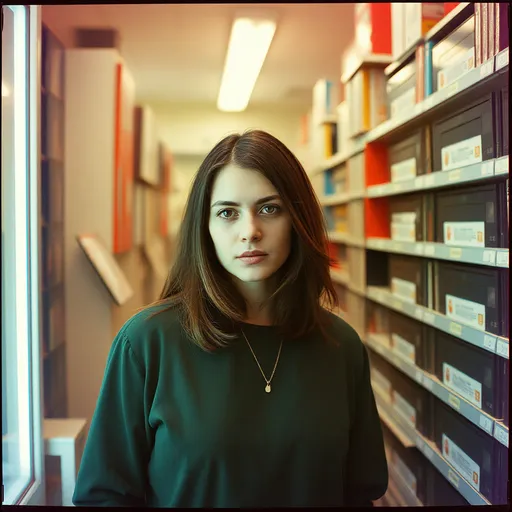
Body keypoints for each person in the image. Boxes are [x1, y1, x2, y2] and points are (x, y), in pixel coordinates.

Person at [72, 129, 388, 507]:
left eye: (270, 208)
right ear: (204, 228)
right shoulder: (146, 342)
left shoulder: (341, 346)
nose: (250, 231)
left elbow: (360, 493)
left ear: (298, 218)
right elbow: (104, 496)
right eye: (227, 213)